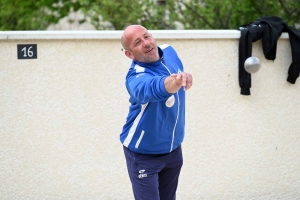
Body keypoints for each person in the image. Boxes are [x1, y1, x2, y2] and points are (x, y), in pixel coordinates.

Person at [120, 25, 193, 200]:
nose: (146, 43)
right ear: (130, 54)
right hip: (144, 154)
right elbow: (154, 88)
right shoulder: (135, 78)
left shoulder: (169, 51)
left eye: (146, 37)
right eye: (137, 42)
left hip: (173, 150)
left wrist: (181, 78)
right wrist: (174, 82)